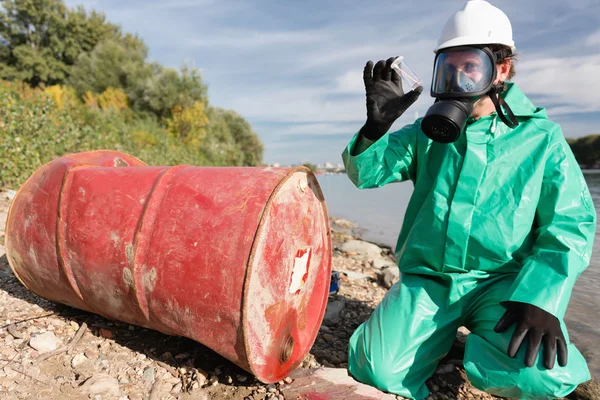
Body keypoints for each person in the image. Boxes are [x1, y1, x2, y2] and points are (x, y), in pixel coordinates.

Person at [341, 1, 597, 399]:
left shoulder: (541, 139)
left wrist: (542, 297)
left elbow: (569, 223)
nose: (458, 77)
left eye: (470, 66)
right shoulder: (427, 133)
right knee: (376, 368)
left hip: (504, 285)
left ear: (502, 69)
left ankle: (474, 350)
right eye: (449, 67)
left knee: (545, 379)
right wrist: (376, 128)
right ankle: (438, 337)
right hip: (430, 281)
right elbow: (366, 174)